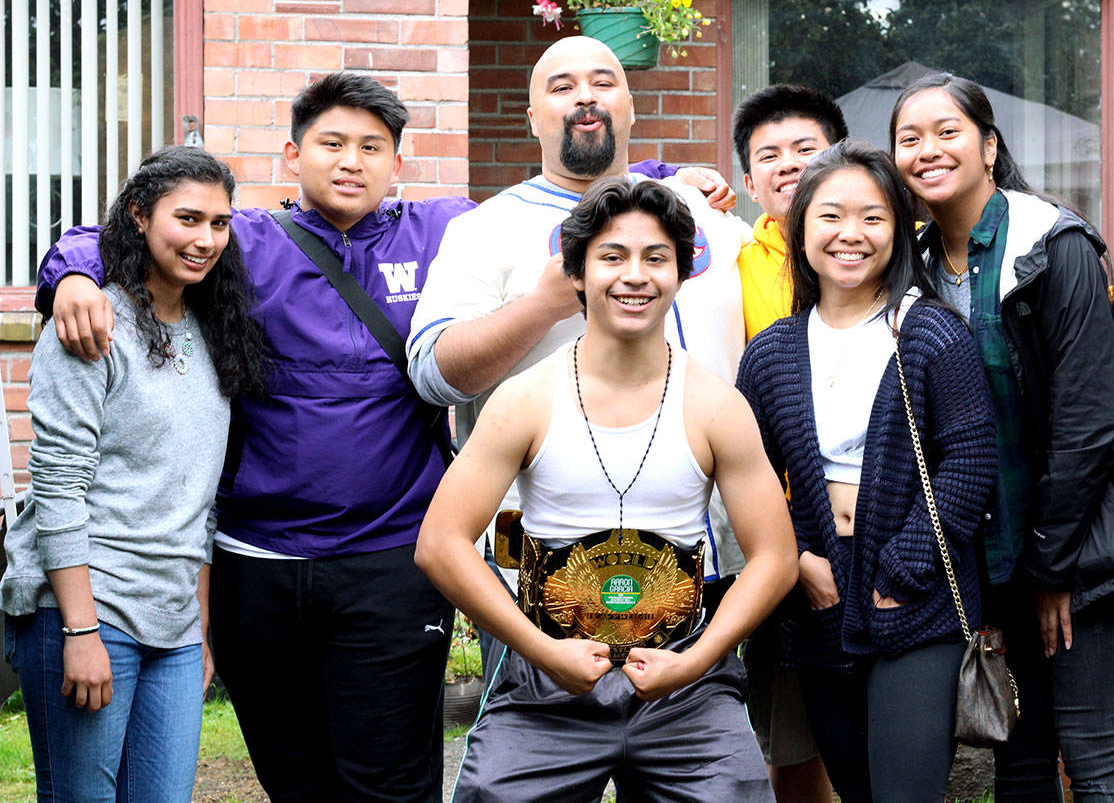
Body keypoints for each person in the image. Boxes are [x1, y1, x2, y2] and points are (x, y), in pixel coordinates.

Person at [32, 71, 725, 801]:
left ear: (399, 162)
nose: (350, 161)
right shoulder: (244, 240)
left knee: (392, 781)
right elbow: (124, 231)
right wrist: (72, 276)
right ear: (292, 155)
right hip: (257, 563)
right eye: (331, 143)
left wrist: (667, 176)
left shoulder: (445, 231)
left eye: (372, 146)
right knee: (296, 776)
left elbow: (572, 200)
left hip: (391, 556)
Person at [417, 177, 796, 802]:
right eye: (612, 257)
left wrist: (697, 662)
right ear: (577, 273)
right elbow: (441, 544)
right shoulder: (524, 400)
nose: (634, 276)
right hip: (547, 680)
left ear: (683, 270)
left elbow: (776, 557)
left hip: (685, 681)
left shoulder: (716, 404)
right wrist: (542, 651)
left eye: (655, 258)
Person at [889, 72, 1114, 801]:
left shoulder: (1051, 245)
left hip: (1092, 537)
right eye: (909, 138)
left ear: (989, 146)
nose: (927, 149)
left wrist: (1052, 570)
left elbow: (1088, 423)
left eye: (947, 132)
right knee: (1018, 749)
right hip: (1003, 548)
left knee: (1090, 745)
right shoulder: (918, 269)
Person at [408, 37, 753, 599]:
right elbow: (433, 377)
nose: (585, 98)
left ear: (631, 105)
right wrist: (543, 304)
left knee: (695, 687)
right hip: (548, 556)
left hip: (708, 544)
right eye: (562, 87)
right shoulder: (485, 229)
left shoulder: (699, 215)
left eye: (603, 82)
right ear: (532, 118)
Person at [737, 139, 999, 801]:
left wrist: (901, 567)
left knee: (905, 792)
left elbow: (969, 462)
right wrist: (796, 556)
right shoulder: (772, 353)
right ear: (800, 229)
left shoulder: (931, 332)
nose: (851, 234)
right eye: (830, 216)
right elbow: (751, 479)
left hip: (918, 593)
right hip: (819, 595)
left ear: (899, 229)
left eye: (873, 216)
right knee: (855, 788)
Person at [1, 146, 263, 801]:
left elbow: (200, 502)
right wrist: (80, 630)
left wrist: (196, 630)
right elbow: (58, 488)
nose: (206, 239)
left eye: (220, 224)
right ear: (140, 217)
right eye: (189, 219)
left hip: (170, 625)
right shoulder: (92, 324)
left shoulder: (212, 333)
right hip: (88, 608)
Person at [732, 82, 848, 801]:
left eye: (807, 149)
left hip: (885, 525)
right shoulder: (729, 262)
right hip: (780, 531)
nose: (788, 165)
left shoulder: (900, 249)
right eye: (768, 156)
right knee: (795, 732)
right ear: (747, 182)